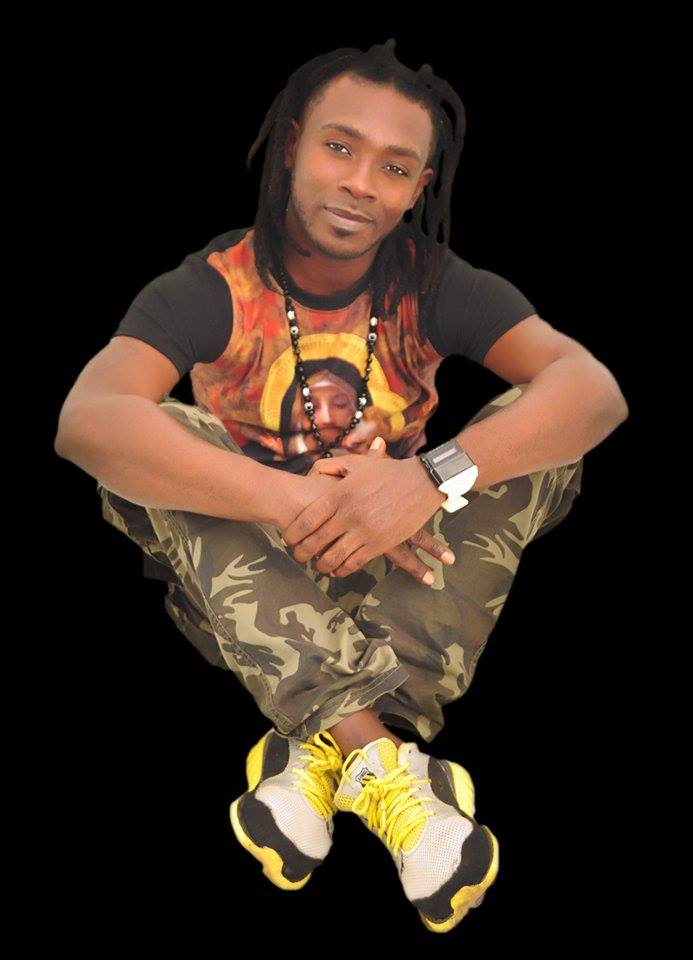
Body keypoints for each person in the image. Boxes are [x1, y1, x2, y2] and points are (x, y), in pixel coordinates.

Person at [54, 39, 628, 934]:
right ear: (291, 146)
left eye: (393, 168)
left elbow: (593, 390)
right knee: (158, 438)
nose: (361, 184)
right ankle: (384, 759)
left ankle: (316, 755)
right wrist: (293, 500)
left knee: (540, 432)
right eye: (339, 147)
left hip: (400, 569)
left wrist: (429, 478)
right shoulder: (211, 287)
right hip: (249, 580)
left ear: (417, 187)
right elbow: (86, 418)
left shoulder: (432, 282)